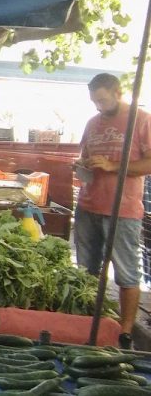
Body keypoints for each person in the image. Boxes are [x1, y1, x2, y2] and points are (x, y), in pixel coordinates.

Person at [74, 73, 151, 349]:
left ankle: (125, 332)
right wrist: (82, 164)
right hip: (87, 205)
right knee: (86, 271)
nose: (98, 106)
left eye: (103, 100)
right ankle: (90, 322)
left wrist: (113, 165)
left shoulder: (141, 120)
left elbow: (149, 163)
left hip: (123, 209)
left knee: (127, 273)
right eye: (94, 101)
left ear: (119, 92)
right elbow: (85, 155)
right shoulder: (92, 123)